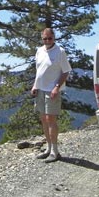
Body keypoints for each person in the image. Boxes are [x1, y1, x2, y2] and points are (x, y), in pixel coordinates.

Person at [31, 27, 71, 163]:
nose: (47, 40)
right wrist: (35, 85)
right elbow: (39, 70)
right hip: (40, 89)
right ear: (42, 39)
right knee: (43, 119)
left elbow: (66, 72)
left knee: (50, 120)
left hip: (52, 90)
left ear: (54, 37)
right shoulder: (39, 51)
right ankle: (48, 149)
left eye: (50, 38)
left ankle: (55, 151)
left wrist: (57, 87)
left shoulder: (60, 52)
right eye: (45, 38)